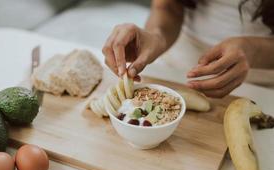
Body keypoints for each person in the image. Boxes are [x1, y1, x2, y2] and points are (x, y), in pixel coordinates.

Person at [102, 0, 274, 98]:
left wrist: (252, 51)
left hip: (260, 83)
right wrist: (156, 36)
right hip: (177, 66)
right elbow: (167, 6)